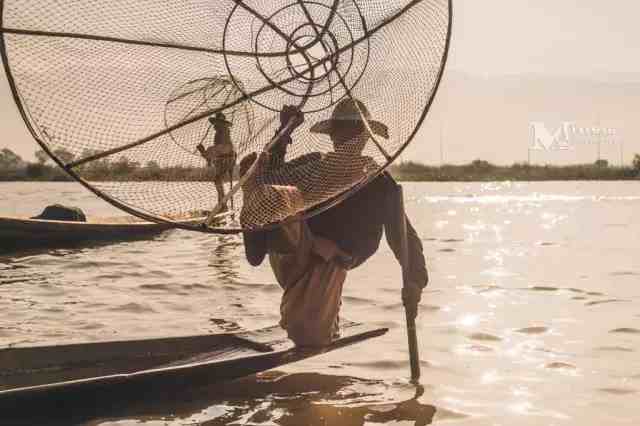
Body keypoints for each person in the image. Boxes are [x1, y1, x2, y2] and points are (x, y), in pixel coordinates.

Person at [240, 99, 428, 347]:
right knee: (273, 188)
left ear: (364, 136)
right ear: (333, 136)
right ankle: (263, 250)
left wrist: (415, 280)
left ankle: (325, 315)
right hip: (293, 249)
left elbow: (402, 235)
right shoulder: (315, 164)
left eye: (353, 131)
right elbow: (274, 175)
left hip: (329, 262)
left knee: (308, 336)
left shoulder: (378, 181)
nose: (347, 137)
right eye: (341, 131)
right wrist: (283, 132)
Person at [197, 112, 237, 210]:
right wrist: (209, 158)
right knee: (217, 180)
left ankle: (223, 205)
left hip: (227, 158)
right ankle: (222, 204)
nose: (215, 126)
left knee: (218, 180)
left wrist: (206, 153)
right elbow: (217, 151)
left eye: (218, 123)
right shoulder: (219, 132)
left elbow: (221, 148)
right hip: (222, 159)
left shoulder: (223, 131)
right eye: (215, 123)